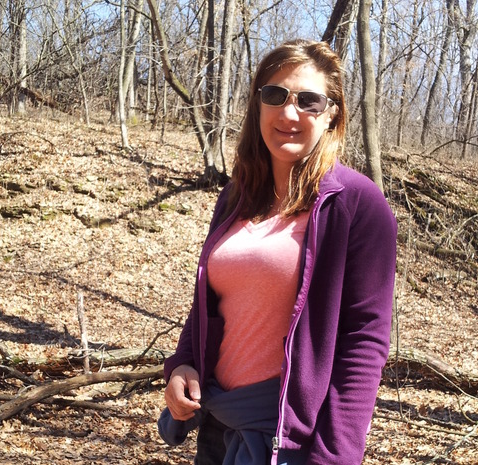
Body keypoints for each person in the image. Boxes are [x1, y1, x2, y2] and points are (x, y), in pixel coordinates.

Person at [158, 39, 398, 465]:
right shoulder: (236, 197)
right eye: (275, 95)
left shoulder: (357, 204)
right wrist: (182, 365)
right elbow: (210, 306)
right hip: (219, 424)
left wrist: (335, 457)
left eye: (309, 101)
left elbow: (364, 341)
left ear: (332, 114)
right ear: (258, 105)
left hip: (287, 440)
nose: (289, 113)